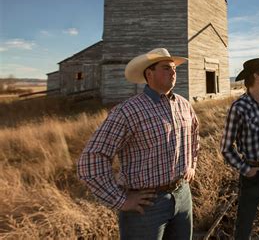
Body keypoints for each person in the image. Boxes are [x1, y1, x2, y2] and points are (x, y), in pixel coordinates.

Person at [77, 48, 199, 240]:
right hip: (147, 205)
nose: (173, 72)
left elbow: (193, 135)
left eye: (174, 68)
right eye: (166, 68)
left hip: (183, 195)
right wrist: (121, 200)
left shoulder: (184, 104)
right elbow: (92, 158)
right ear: (149, 74)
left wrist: (191, 164)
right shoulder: (128, 111)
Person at [221, 58, 259, 240]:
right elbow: (226, 147)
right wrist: (246, 170)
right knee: (245, 223)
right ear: (255, 76)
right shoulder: (239, 107)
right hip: (253, 172)